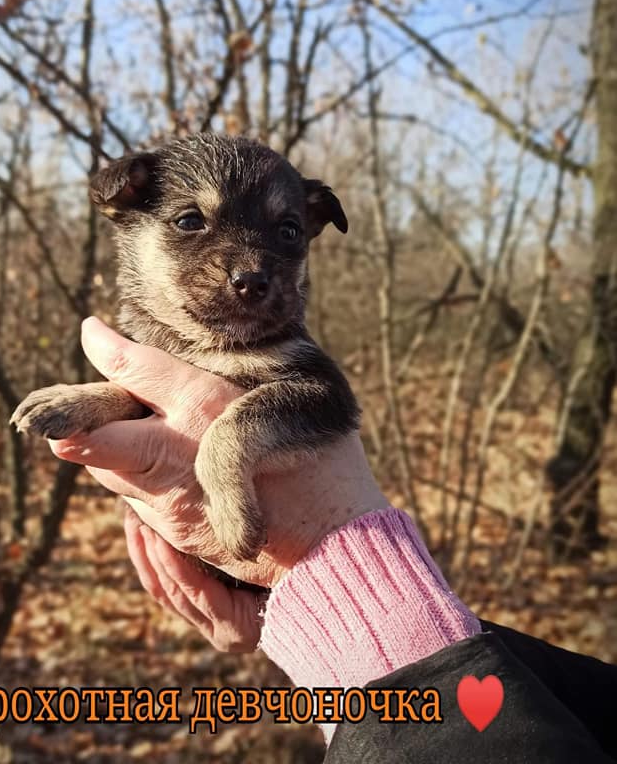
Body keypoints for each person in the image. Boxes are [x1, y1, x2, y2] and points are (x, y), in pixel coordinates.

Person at [50, 316, 617, 762]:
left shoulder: (286, 351)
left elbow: (326, 404)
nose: (248, 265)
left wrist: (324, 567)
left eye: (287, 232)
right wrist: (298, 615)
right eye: (190, 225)